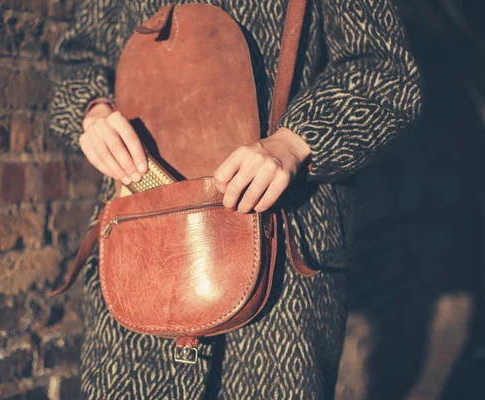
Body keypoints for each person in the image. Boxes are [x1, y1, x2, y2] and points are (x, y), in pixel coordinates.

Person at [50, 0, 423, 398]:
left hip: (283, 263)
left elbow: (386, 72)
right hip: (139, 246)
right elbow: (79, 60)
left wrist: (293, 142)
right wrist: (92, 112)